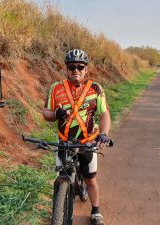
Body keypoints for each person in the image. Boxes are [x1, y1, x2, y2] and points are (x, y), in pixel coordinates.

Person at [43, 49, 111, 225]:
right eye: (72, 66)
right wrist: (56, 113)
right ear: (66, 69)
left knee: (90, 179)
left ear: (86, 69)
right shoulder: (56, 88)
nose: (76, 70)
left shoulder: (95, 89)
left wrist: (103, 134)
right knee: (61, 176)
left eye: (80, 67)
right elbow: (46, 113)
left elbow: (104, 114)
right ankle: (61, 202)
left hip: (88, 141)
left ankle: (96, 211)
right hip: (64, 142)